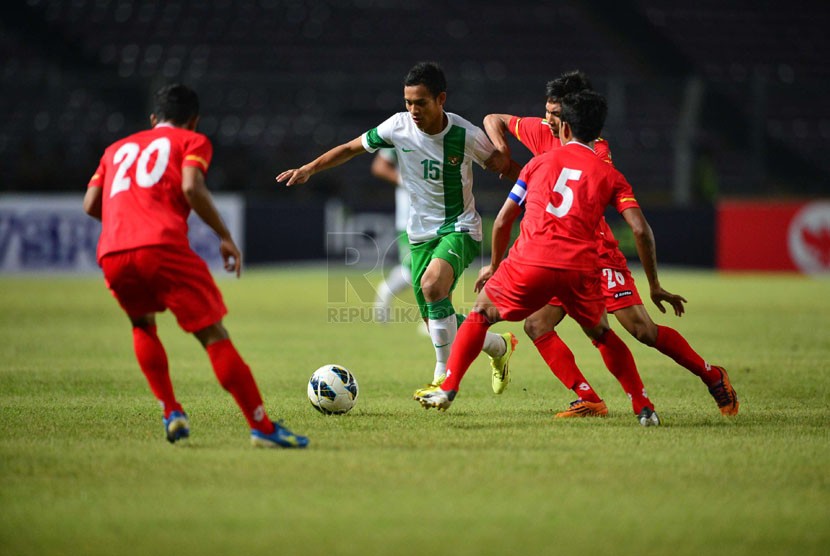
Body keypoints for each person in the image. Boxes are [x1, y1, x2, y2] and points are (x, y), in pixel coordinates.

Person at [483, 71, 738, 418]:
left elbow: (583, 192)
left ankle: (711, 375)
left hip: (596, 252)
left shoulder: (597, 151)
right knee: (536, 325)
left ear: (572, 115)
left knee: (642, 331)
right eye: (545, 111)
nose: (546, 120)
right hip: (558, 253)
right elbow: (492, 119)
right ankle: (590, 398)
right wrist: (503, 152)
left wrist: (655, 285)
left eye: (554, 114)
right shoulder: (543, 131)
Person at [415, 89, 665, 420]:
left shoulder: (537, 164)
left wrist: (493, 265)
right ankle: (642, 406)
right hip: (582, 265)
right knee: (598, 333)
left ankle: (449, 386)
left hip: (535, 260)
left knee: (481, 314)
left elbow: (504, 219)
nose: (547, 121)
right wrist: (654, 282)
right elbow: (640, 229)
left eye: (553, 117)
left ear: (565, 126)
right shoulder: (608, 171)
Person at [83, 84, 309, 448]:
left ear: (153, 118)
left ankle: (171, 410)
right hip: (161, 247)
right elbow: (191, 187)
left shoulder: (115, 149)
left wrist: (125, 224)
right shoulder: (192, 141)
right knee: (213, 335)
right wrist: (224, 235)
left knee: (142, 324)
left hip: (112, 251)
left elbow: (91, 203)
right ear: (194, 120)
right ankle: (262, 428)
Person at [277, 61, 518, 395]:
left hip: (459, 227)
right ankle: (498, 346)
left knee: (433, 287)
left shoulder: (466, 135)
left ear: (441, 99)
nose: (413, 110)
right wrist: (309, 168)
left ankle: (442, 376)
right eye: (408, 102)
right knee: (437, 319)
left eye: (421, 102)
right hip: (418, 234)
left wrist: (507, 161)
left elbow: (505, 167)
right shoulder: (397, 126)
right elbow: (350, 148)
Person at [370, 148, 413, 324]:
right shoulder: (400, 128)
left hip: (439, 215)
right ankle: (387, 289)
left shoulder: (444, 130)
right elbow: (379, 165)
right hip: (410, 216)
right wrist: (404, 180)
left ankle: (438, 321)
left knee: (442, 267)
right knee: (415, 270)